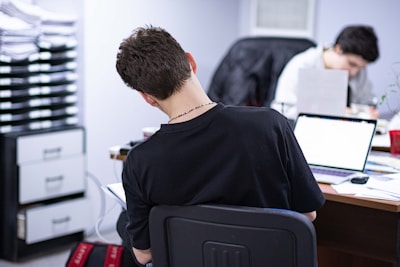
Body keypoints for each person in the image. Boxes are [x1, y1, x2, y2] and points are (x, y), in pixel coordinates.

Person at [115, 25, 325, 266]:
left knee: (124, 222)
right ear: (191, 62)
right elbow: (307, 215)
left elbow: (143, 255)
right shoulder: (270, 125)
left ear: (147, 97)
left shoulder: (140, 161)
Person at [271, 25, 380, 120]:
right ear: (338, 49)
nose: (354, 72)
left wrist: (367, 112)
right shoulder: (302, 65)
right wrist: (329, 111)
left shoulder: (358, 72)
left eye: (361, 68)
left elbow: (367, 103)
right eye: (352, 64)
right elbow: (282, 111)